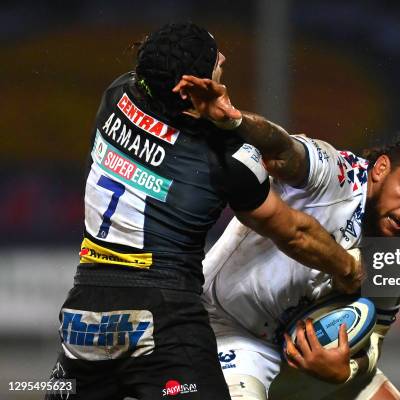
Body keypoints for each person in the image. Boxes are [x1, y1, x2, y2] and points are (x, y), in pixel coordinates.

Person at [45, 23, 363, 400]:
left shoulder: (117, 94)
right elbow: (294, 233)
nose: (224, 60)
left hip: (84, 319)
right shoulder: (228, 157)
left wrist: (214, 115)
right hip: (163, 319)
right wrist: (347, 269)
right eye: (215, 60)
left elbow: (158, 78)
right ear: (191, 87)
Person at [173, 76, 400, 399]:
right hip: (228, 329)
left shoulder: (399, 253)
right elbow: (281, 148)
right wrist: (235, 121)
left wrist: (346, 369)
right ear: (380, 169)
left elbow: (375, 335)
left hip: (306, 357)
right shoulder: (336, 175)